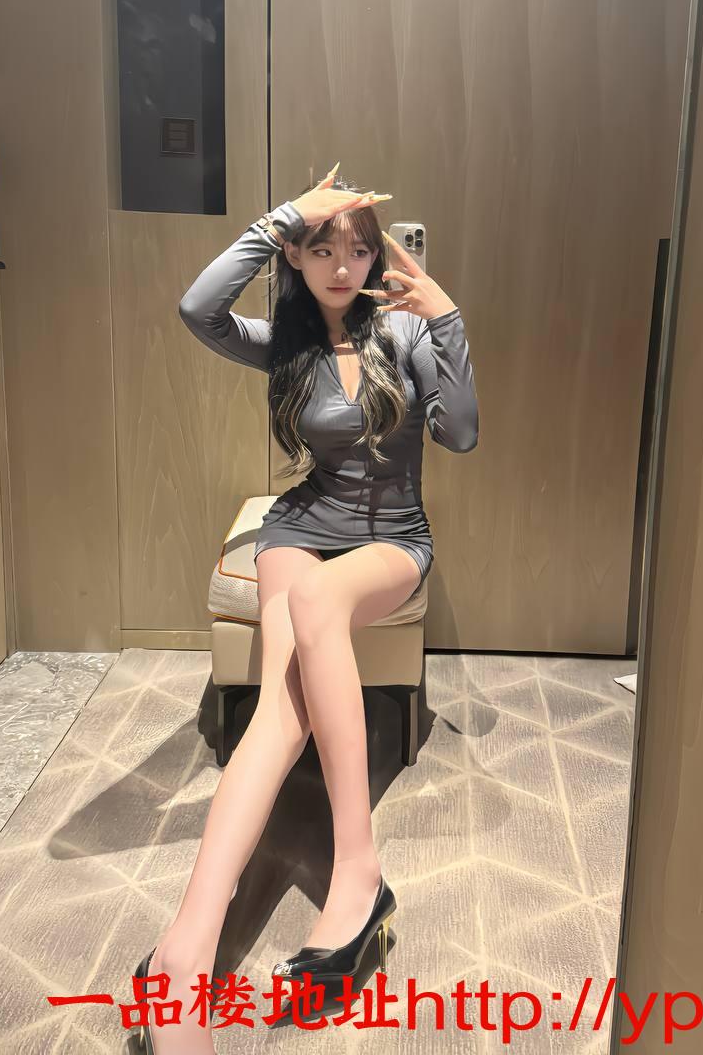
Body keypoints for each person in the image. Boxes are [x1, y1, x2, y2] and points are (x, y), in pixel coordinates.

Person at [132, 162, 478, 1053]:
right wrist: (281, 216)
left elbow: (461, 431)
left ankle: (354, 871)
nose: (342, 266)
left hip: (393, 539)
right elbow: (197, 309)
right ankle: (187, 950)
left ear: (375, 257)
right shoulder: (284, 345)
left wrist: (445, 317)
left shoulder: (405, 329)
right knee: (276, 717)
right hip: (300, 526)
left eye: (357, 250)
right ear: (295, 255)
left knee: (320, 601)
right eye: (322, 249)